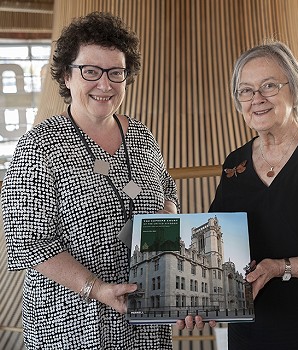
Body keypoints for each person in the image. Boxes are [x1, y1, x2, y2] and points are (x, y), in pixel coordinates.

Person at [1, 12, 179, 349]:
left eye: (116, 73)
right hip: (74, 322)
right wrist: (96, 289)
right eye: (90, 71)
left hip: (143, 315)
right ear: (67, 76)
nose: (105, 84)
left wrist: (166, 216)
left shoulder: (141, 136)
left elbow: (166, 188)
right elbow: (30, 242)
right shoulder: (40, 147)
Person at [209, 40, 298, 349]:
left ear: (294, 90)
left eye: (269, 86)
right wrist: (201, 302)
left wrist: (278, 267)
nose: (256, 99)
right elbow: (221, 241)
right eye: (245, 90)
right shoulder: (236, 164)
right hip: (250, 331)